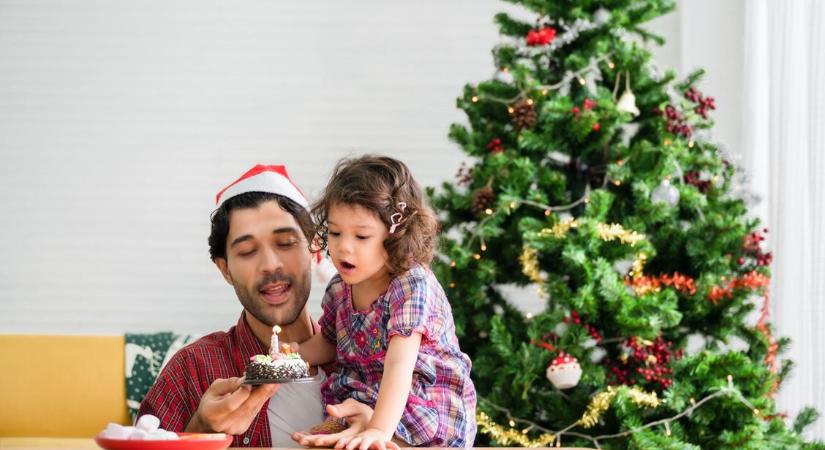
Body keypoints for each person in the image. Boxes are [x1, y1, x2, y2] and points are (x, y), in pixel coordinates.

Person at [137, 164, 373, 447]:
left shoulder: (368, 360)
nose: (270, 264)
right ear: (225, 269)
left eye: (285, 243)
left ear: (315, 252)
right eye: (247, 251)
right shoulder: (191, 370)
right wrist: (202, 429)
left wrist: (384, 433)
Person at [293, 155, 477, 449]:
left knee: (372, 441)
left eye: (362, 236)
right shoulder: (340, 288)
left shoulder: (411, 284)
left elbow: (399, 364)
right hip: (369, 392)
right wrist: (293, 356)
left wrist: (379, 428)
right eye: (336, 232)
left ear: (395, 237)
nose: (343, 247)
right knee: (328, 439)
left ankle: (377, 430)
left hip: (421, 399)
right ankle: (362, 423)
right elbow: (329, 342)